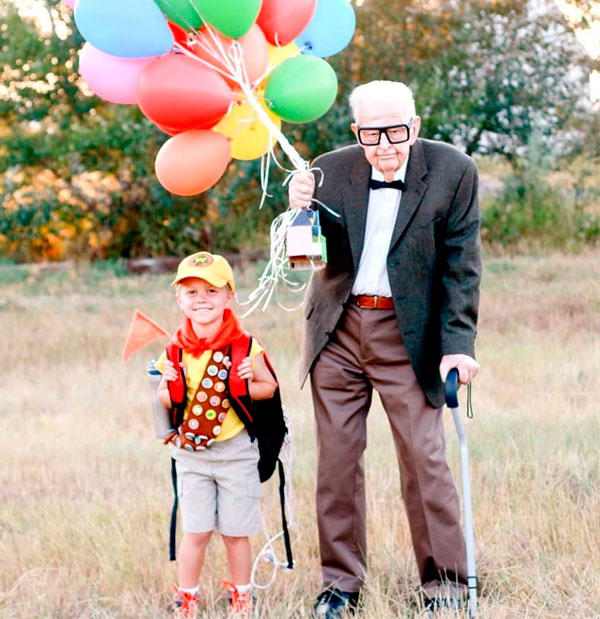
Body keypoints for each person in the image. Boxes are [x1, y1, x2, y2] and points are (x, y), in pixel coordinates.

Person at [288, 80, 481, 617]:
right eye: (372, 134)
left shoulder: (453, 170)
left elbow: (461, 267)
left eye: (396, 131)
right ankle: (339, 587)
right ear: (357, 132)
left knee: (425, 458)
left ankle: (444, 586)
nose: (386, 144)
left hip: (410, 334)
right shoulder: (330, 168)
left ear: (415, 126)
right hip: (339, 329)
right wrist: (298, 207)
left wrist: (458, 344)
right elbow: (312, 250)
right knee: (337, 463)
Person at [155, 251, 277, 618]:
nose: (201, 299)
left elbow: (268, 387)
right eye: (191, 292)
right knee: (196, 530)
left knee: (236, 531)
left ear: (229, 297)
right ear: (179, 299)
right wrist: (168, 387)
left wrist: (246, 379)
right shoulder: (175, 349)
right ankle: (187, 597)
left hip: (236, 451)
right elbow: (163, 394)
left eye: (211, 290)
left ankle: (241, 595)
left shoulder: (244, 345)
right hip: (191, 454)